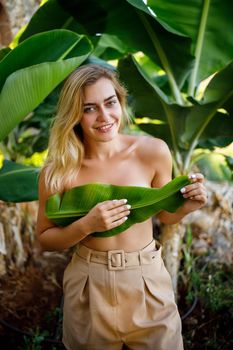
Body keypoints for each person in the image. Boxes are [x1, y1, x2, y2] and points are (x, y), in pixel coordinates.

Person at [36, 64, 207, 350]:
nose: (104, 117)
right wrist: (87, 225)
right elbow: (44, 239)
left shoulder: (152, 152)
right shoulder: (59, 171)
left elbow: (164, 215)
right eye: (89, 108)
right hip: (90, 284)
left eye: (110, 102)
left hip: (146, 279)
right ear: (74, 115)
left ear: (120, 101)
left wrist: (188, 205)